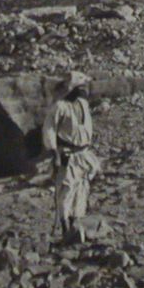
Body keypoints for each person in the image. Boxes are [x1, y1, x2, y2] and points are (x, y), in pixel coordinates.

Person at [41, 70, 101, 244]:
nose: (85, 90)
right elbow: (49, 129)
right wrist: (54, 153)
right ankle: (65, 226)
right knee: (66, 189)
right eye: (81, 87)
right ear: (72, 89)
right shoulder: (59, 107)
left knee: (81, 188)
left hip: (83, 153)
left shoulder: (83, 103)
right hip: (68, 154)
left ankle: (75, 225)